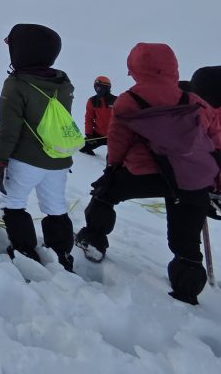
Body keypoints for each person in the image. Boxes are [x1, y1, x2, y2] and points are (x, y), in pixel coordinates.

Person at [75, 43, 221, 305]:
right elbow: (214, 144)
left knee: (104, 195)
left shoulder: (129, 100)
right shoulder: (194, 101)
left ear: (135, 69)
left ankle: (94, 240)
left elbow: (118, 141)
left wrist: (112, 170)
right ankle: (187, 287)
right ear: (173, 68)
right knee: (186, 236)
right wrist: (212, 183)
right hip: (189, 178)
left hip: (141, 173)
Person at [0, 23, 76, 270]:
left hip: (26, 160)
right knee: (55, 207)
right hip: (59, 160)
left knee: (13, 202)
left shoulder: (17, 84)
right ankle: (62, 255)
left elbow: (8, 129)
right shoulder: (63, 83)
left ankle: (25, 252)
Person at [80, 76, 115, 155]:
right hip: (98, 135)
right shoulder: (92, 101)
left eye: (100, 87)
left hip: (114, 136)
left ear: (107, 88)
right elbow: (89, 118)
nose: (97, 90)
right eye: (96, 87)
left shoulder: (116, 100)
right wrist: (89, 134)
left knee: (115, 158)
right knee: (81, 148)